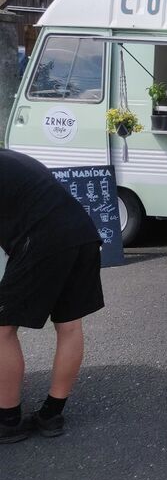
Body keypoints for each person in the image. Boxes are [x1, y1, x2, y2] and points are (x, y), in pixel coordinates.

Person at [0, 149, 104, 442]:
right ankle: (51, 414)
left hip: (43, 239)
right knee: (69, 325)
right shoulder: (14, 159)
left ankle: (7, 420)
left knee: (2, 329)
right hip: (83, 233)